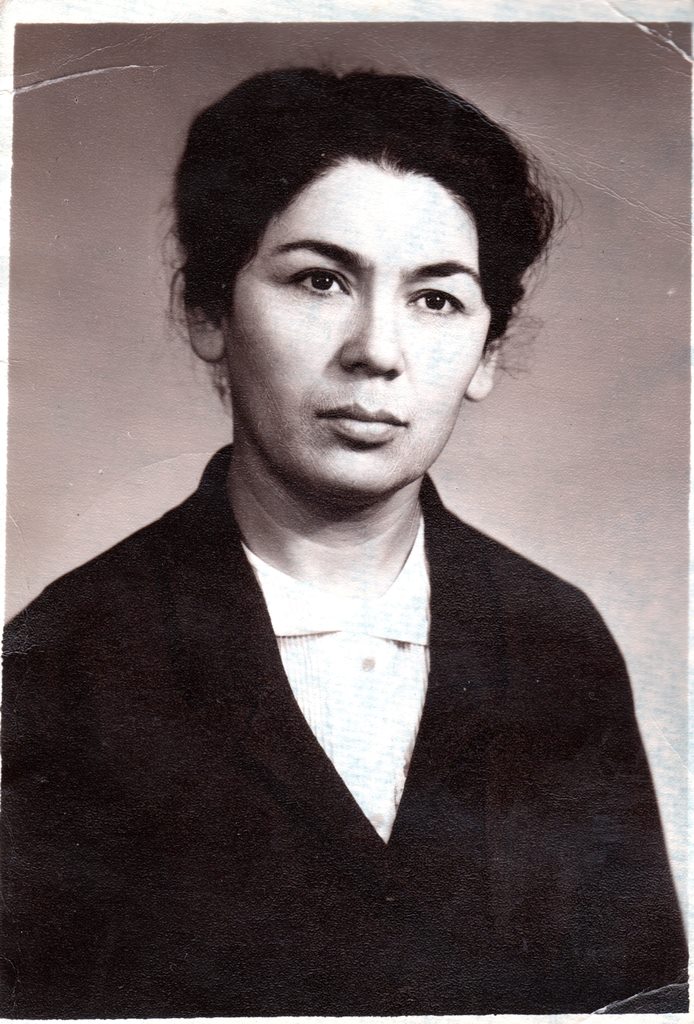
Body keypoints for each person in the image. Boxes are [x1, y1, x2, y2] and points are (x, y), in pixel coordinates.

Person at [1, 67, 686, 1017]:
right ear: (209, 312)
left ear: (488, 351)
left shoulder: (554, 641)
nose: (377, 350)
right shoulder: (65, 657)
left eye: (436, 299)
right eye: (319, 281)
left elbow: (643, 1007)